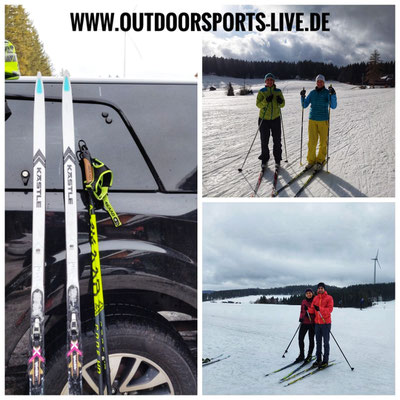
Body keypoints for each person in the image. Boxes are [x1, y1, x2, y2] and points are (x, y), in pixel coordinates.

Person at [300, 74, 337, 171]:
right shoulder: (312, 93)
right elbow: (304, 105)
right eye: (318, 81)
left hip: (323, 120)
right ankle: (311, 160)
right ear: (316, 82)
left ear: (324, 83)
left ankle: (320, 160)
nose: (319, 83)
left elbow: (333, 106)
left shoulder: (327, 93)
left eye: (321, 81)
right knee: (312, 141)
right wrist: (302, 96)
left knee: (323, 141)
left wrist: (333, 94)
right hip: (312, 120)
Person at [256, 73, 285, 168]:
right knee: (264, 140)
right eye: (267, 80)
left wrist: (280, 102)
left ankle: (277, 159)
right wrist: (266, 101)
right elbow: (258, 105)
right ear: (265, 81)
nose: (269, 81)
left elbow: (283, 104)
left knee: (277, 140)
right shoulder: (262, 91)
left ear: (273, 81)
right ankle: (264, 158)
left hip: (276, 118)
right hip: (264, 119)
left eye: (271, 80)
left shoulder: (278, 91)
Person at [308, 282, 334, 368]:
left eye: (321, 288)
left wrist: (320, 309)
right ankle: (318, 359)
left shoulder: (329, 298)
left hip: (326, 323)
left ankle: (325, 360)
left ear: (324, 289)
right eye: (319, 288)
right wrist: (307, 309)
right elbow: (312, 310)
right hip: (317, 324)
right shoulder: (315, 298)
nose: (320, 290)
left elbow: (330, 310)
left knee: (326, 342)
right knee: (318, 342)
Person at [295, 288, 315, 363]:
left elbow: (315, 311)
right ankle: (301, 355)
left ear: (312, 293)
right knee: (300, 338)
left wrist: (309, 312)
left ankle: (309, 355)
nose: (308, 294)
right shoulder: (303, 301)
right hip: (304, 323)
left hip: (312, 323)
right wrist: (301, 318)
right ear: (305, 294)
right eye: (307, 293)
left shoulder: (314, 301)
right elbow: (301, 311)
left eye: (310, 293)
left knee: (311, 339)